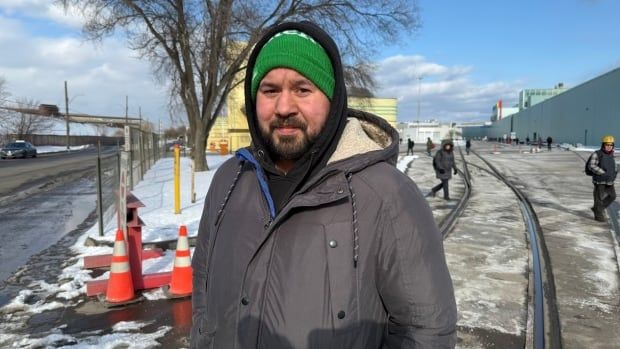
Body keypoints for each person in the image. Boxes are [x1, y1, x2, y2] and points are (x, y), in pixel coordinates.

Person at [190, 21, 456, 348]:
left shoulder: (388, 195)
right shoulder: (228, 180)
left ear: (332, 99)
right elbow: (203, 286)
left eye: (302, 89)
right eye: (270, 90)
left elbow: (424, 330)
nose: (284, 107)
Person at [587, 135, 617, 222]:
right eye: (607, 145)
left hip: (609, 180)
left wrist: (614, 174)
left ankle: (597, 208)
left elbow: (613, 166)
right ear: (603, 145)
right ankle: (598, 216)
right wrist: (602, 173)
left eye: (611, 145)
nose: (609, 147)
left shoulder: (611, 155)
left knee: (612, 196)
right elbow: (591, 166)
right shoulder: (597, 154)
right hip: (599, 181)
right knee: (598, 198)